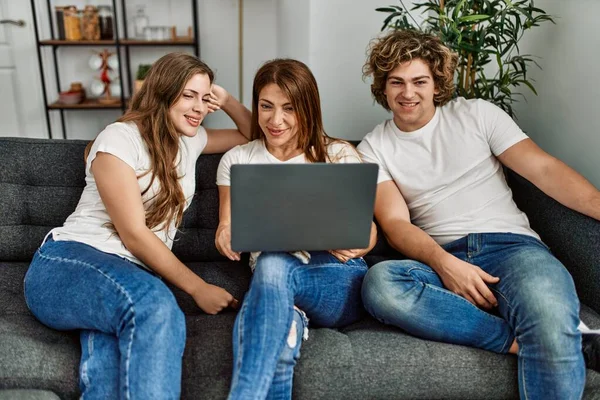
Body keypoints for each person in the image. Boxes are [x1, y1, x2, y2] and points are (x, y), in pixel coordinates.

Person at [357, 29, 600, 399]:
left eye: (419, 81)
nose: (408, 93)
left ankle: (554, 333)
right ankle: (522, 339)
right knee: (380, 285)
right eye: (397, 82)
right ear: (383, 86)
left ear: (437, 83)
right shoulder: (374, 147)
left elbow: (544, 170)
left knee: (548, 316)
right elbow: (395, 225)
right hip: (442, 258)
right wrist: (445, 265)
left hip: (515, 251)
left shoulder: (478, 115)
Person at [23, 52, 252, 399]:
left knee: (108, 376)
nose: (199, 108)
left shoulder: (191, 140)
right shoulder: (120, 138)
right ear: (163, 91)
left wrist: (228, 100)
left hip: (125, 278)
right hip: (70, 262)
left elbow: (252, 135)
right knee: (154, 307)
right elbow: (133, 235)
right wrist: (197, 288)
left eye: (204, 99)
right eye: (188, 95)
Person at [215, 58, 377, 399]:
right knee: (279, 328)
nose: (276, 120)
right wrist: (224, 235)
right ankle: (291, 319)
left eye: (289, 108)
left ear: (308, 107)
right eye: (266, 106)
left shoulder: (337, 154)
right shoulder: (238, 159)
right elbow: (227, 225)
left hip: (334, 279)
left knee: (272, 267)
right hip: (273, 285)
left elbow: (371, 231)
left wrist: (357, 244)